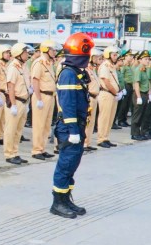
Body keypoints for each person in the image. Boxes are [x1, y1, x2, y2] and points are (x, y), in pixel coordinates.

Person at [49, 33, 94, 219]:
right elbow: (68, 105)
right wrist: (74, 130)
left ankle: (66, 199)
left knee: (72, 165)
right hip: (69, 129)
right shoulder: (68, 74)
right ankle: (57, 203)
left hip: (76, 127)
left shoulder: (75, 72)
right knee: (65, 165)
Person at [29, 40, 58, 161]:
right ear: (46, 50)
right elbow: (35, 80)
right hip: (41, 95)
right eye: (53, 50)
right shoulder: (39, 63)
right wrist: (39, 98)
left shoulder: (49, 63)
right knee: (39, 124)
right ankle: (36, 150)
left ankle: (42, 148)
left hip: (50, 96)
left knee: (46, 125)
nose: (55, 52)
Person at [4, 43, 31, 164]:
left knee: (18, 130)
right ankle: (9, 154)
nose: (27, 54)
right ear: (19, 54)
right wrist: (13, 105)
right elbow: (10, 86)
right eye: (25, 52)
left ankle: (15, 152)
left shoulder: (24, 66)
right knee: (11, 129)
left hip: (24, 101)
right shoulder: (13, 67)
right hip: (16, 101)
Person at [96, 46, 122, 148]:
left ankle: (106, 137)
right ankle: (101, 138)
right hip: (106, 94)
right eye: (114, 55)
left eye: (116, 55)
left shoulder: (112, 66)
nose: (116, 57)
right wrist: (115, 93)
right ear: (108, 55)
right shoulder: (105, 66)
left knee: (110, 118)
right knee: (104, 117)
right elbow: (106, 82)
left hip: (112, 95)